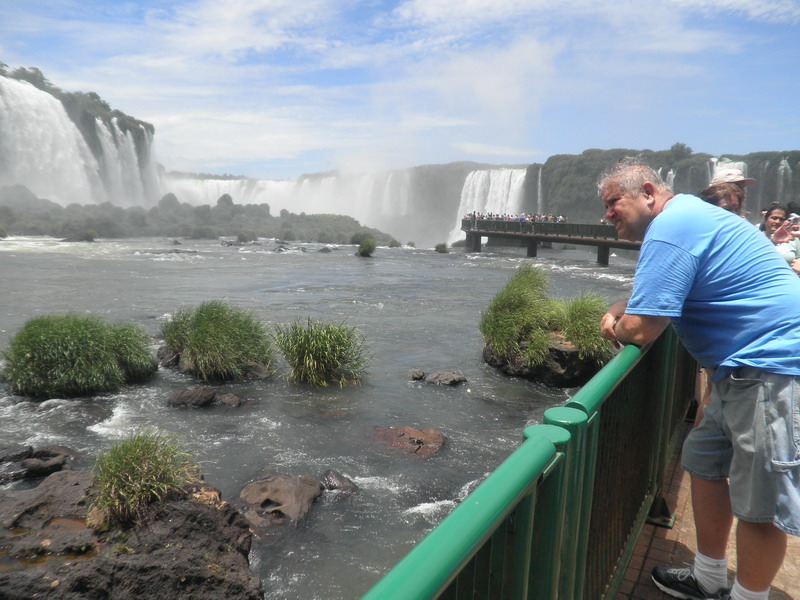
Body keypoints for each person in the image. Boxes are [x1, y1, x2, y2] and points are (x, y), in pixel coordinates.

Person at [598, 158, 800, 600]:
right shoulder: (686, 219)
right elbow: (662, 293)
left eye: (614, 202)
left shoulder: (672, 227)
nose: (607, 214)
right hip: (738, 370)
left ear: (648, 193)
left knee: (760, 504)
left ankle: (749, 596)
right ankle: (709, 576)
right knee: (704, 462)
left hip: (772, 368)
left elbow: (642, 328)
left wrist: (615, 323)